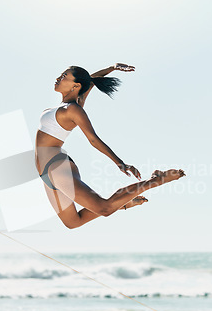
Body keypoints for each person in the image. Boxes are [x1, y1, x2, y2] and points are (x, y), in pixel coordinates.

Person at [35, 64, 185, 229]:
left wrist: (120, 163)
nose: (58, 78)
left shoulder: (73, 110)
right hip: (44, 172)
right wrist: (111, 68)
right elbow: (90, 81)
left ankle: (157, 179)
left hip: (56, 165)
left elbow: (93, 139)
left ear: (75, 86)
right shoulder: (63, 106)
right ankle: (122, 203)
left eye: (64, 76)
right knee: (72, 222)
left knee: (104, 208)